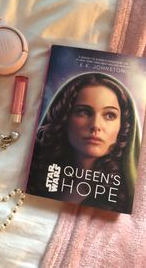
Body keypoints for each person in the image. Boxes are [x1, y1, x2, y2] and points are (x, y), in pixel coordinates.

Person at [27, 73, 140, 213]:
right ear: (65, 117)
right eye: (84, 112)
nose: (96, 125)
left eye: (109, 115)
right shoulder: (36, 179)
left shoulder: (126, 197)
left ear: (123, 126)